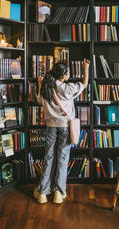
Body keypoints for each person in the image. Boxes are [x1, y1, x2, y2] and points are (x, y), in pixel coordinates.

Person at [33, 58, 90, 204]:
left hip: (51, 127)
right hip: (65, 126)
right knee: (62, 159)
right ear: (63, 76)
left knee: (48, 158)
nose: (69, 74)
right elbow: (84, 84)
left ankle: (43, 193)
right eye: (68, 73)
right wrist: (85, 68)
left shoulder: (46, 87)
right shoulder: (67, 88)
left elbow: (39, 101)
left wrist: (40, 84)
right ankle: (59, 192)